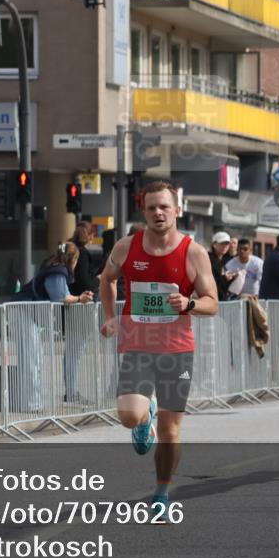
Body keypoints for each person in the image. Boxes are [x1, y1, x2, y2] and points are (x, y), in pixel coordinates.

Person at [99, 181, 218, 523]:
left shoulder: (193, 253)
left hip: (177, 351)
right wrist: (110, 319)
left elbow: (212, 303)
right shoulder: (126, 247)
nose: (158, 213)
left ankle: (162, 493)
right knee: (128, 416)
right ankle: (143, 418)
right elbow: (106, 279)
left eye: (164, 206)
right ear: (144, 211)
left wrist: (190, 302)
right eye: (152, 207)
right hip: (137, 344)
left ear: (177, 210)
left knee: (171, 432)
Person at [17, 242, 95, 411]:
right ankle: (31, 404)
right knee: (31, 359)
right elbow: (61, 297)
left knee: (34, 357)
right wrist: (80, 298)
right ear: (73, 259)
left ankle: (32, 403)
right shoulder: (58, 271)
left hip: (24, 311)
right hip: (23, 311)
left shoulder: (52, 266)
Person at [69, 221, 98, 298]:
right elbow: (83, 280)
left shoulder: (68, 248)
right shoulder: (82, 253)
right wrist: (97, 280)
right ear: (90, 236)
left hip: (68, 294)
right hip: (78, 299)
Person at [208, 231, 235, 301]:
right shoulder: (208, 259)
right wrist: (224, 278)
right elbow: (209, 282)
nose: (225, 246)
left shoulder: (228, 260)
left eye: (227, 244)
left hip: (224, 299)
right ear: (214, 244)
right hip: (211, 298)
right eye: (222, 243)